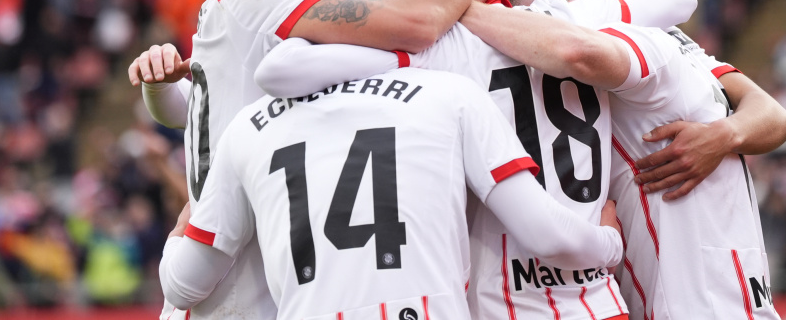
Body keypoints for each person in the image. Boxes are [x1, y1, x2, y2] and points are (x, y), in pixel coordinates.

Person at [257, 0, 786, 319]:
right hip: (600, 302)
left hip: (514, 303)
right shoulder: (591, 25)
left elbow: (281, 69)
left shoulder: (442, 50)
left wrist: (344, 14)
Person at [133, 0, 505, 319]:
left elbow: (201, 114)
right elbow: (418, 21)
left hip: (221, 285)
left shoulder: (233, 3)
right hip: (240, 295)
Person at [160, 68, 624, 320]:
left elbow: (183, 285)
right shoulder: (448, 92)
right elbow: (548, 235)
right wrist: (609, 242)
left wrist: (180, 233)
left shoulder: (248, 124)